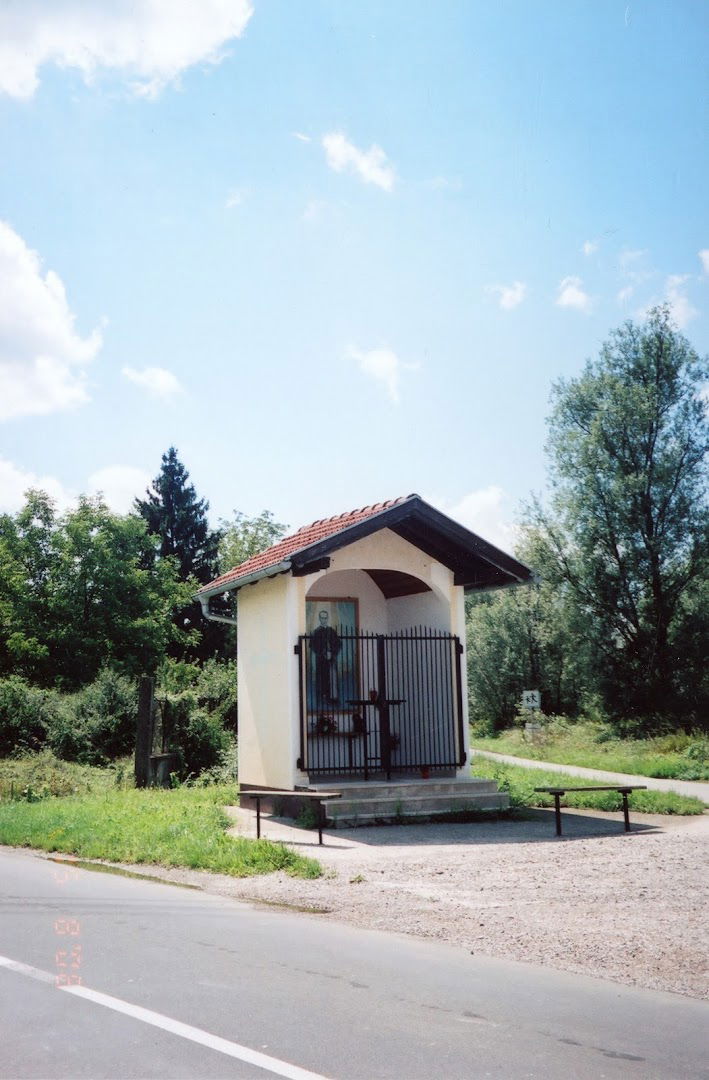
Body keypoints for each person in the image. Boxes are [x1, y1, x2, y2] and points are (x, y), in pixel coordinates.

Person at [311, 609, 341, 704]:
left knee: (331, 679)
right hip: (321, 660)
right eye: (322, 618)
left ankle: (332, 698)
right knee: (321, 679)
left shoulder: (331, 631)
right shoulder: (316, 632)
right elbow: (313, 646)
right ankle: (321, 699)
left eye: (325, 618)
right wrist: (323, 653)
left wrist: (332, 653)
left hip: (331, 660)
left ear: (327, 618)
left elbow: (338, 644)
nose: (324, 620)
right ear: (319, 618)